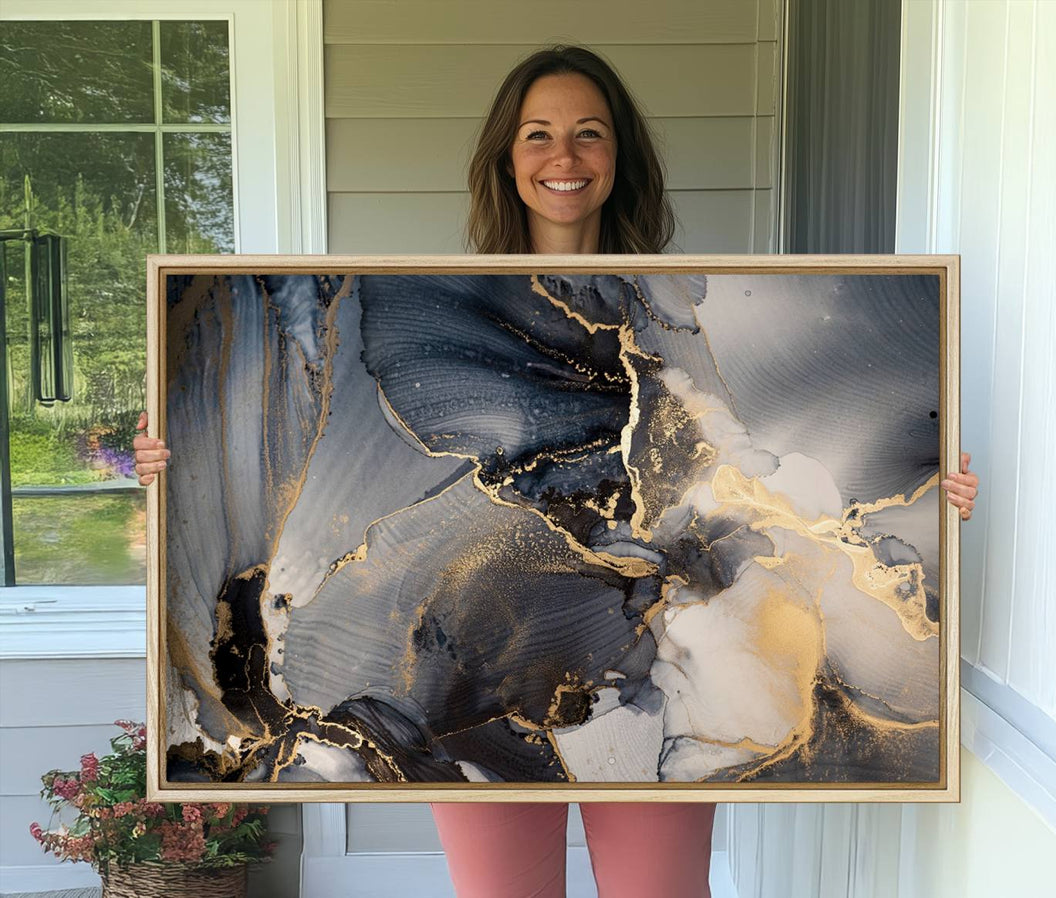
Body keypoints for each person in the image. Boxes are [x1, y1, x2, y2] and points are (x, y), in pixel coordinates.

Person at [134, 45, 980, 898]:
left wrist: (923, 506)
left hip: (662, 667)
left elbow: (773, 471)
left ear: (619, 158)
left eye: (588, 134)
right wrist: (171, 463)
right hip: (468, 671)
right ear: (508, 158)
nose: (563, 157)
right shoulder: (429, 301)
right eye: (538, 135)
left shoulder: (690, 310)